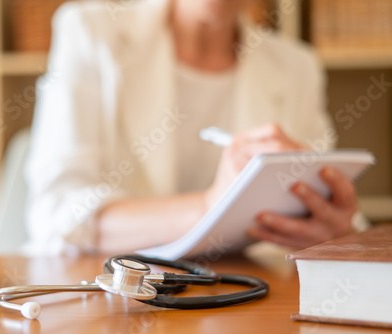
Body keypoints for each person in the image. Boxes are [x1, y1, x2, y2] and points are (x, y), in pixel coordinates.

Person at [24, 0, 362, 255]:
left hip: (244, 302)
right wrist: (210, 207)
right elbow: (57, 211)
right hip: (111, 300)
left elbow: (339, 219)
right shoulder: (89, 32)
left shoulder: (295, 66)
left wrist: (334, 228)